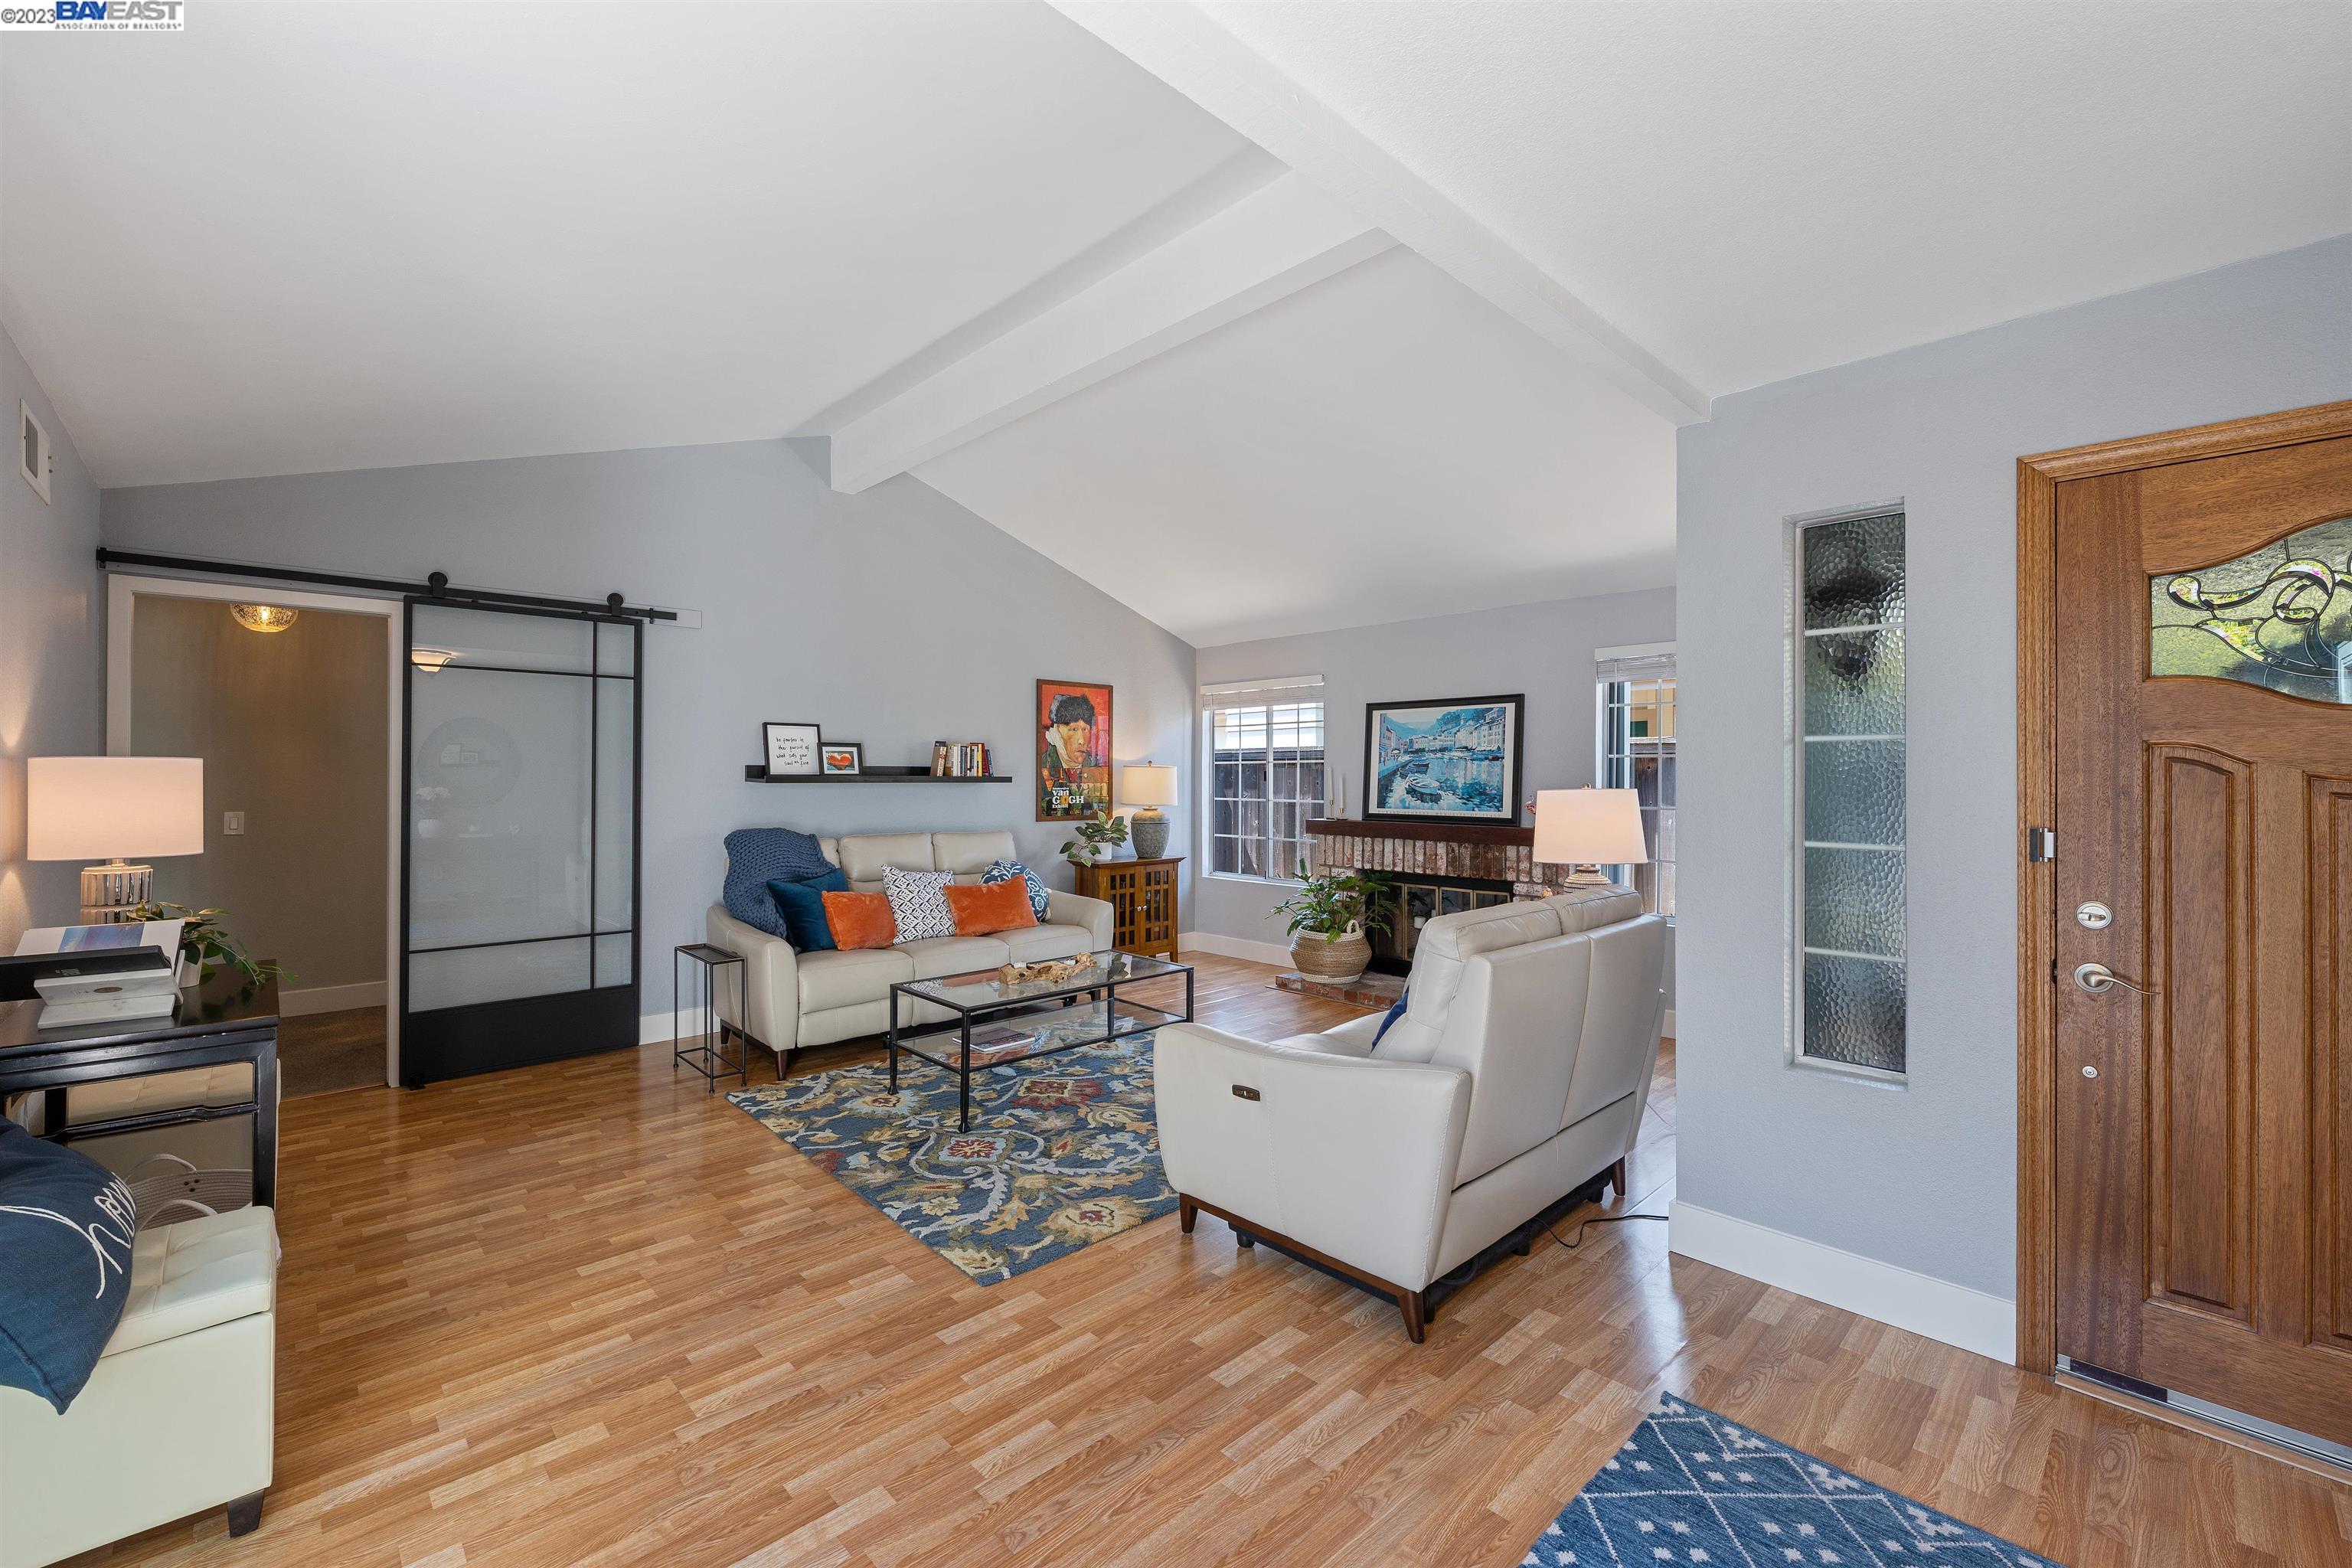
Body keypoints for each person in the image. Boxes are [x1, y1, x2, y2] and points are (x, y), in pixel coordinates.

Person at [1042, 691, 1102, 814]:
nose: (1082, 741)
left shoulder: (1098, 769)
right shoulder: (1041, 768)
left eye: (1085, 729)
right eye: (1074, 729)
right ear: (1055, 733)